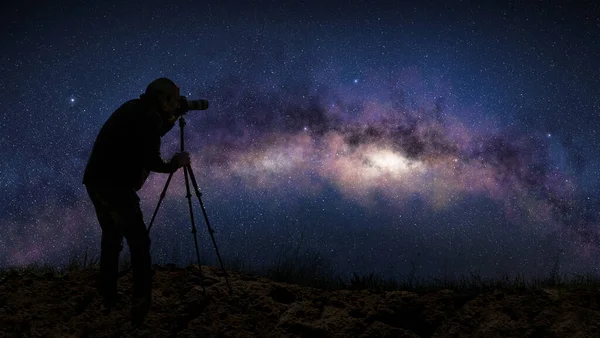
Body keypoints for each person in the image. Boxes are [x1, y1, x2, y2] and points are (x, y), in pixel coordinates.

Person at [83, 77, 190, 325]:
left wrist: (172, 118)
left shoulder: (135, 108)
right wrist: (176, 163)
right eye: (173, 100)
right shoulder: (149, 117)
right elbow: (152, 160)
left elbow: (152, 130)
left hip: (96, 180)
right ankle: (141, 301)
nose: (175, 104)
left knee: (111, 236)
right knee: (139, 241)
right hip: (116, 185)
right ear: (163, 99)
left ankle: (108, 295)